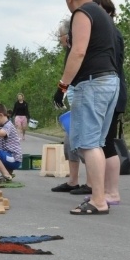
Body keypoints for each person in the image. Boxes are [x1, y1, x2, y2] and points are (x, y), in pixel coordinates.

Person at [58, 0, 119, 215]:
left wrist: (62, 85)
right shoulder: (102, 14)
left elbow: (79, 50)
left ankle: (98, 200)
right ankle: (100, 195)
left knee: (87, 143)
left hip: (93, 83)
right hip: (109, 81)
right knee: (97, 143)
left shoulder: (82, 13)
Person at [91, 0, 127, 206]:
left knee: (107, 143)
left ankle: (112, 192)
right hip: (110, 91)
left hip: (111, 92)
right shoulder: (109, 32)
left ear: (107, 11)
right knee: (102, 142)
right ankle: (104, 191)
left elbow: (112, 65)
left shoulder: (111, 33)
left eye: (96, 9)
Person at [50, 19, 90, 195]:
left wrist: (62, 90)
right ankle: (73, 181)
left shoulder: (79, 49)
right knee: (69, 143)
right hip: (75, 103)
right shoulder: (69, 51)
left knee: (85, 144)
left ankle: (91, 183)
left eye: (59, 36)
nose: (59, 40)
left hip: (85, 100)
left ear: (67, 36)